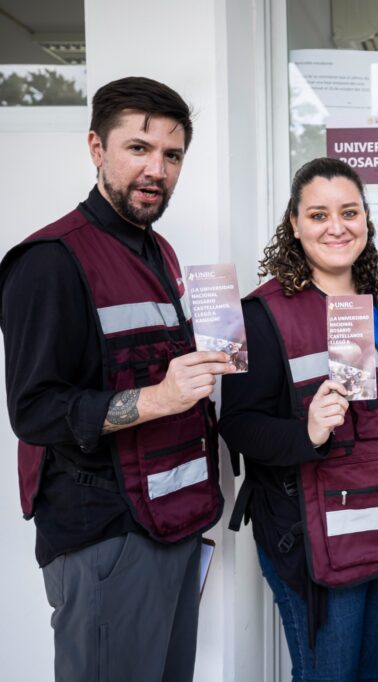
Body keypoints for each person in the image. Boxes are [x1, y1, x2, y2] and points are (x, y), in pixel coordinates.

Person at [0, 77, 229, 682]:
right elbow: (35, 412)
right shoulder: (49, 261)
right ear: (96, 148)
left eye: (172, 155)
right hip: (105, 534)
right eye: (138, 148)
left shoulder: (160, 252)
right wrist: (159, 398)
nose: (157, 169)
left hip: (172, 518)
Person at [220, 157, 378, 681]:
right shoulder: (258, 315)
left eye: (349, 212)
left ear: (366, 218)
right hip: (316, 543)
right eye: (318, 215)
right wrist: (307, 432)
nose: (337, 227)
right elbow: (237, 425)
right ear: (294, 224)